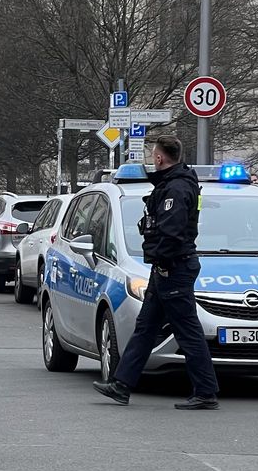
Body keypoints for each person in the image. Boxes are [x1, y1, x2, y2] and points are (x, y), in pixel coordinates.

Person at [94, 135, 219, 410]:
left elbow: (172, 234)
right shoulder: (176, 183)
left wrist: (162, 262)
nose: (152, 159)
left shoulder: (176, 189)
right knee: (146, 328)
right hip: (168, 268)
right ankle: (121, 385)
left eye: (154, 155)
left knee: (187, 331)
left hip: (172, 268)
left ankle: (206, 391)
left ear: (160, 158)